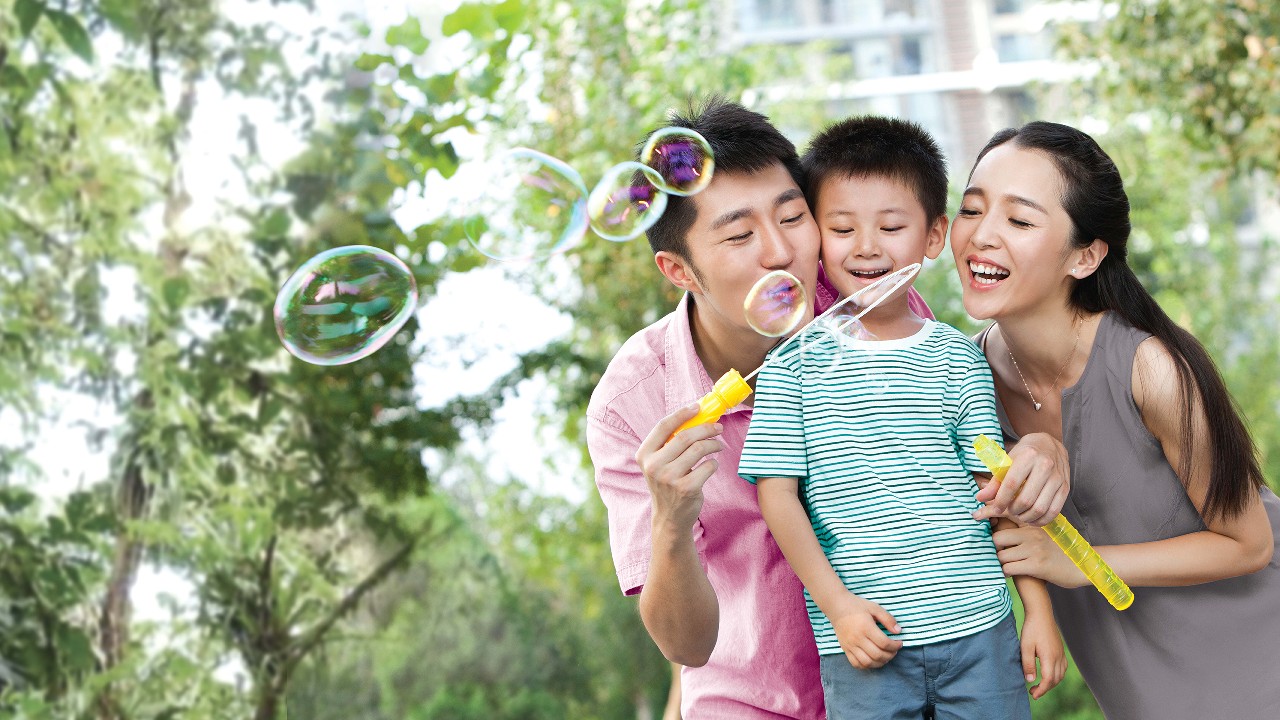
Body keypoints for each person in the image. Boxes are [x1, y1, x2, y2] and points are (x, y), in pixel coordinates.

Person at [585, 96, 944, 718]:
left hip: (899, 675)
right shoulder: (634, 404)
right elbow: (686, 645)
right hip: (748, 699)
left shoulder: (867, 307)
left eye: (793, 217)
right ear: (678, 270)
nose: (780, 252)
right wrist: (672, 522)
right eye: (739, 235)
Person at [950, 120, 1280, 719]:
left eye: (1019, 221)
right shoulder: (962, 382)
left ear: (1085, 255)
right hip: (1140, 684)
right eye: (971, 210)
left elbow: (1248, 544)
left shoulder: (1151, 368)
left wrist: (1080, 565)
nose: (982, 236)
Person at [739, 116, 1064, 720]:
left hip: (980, 631)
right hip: (864, 642)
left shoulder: (958, 359)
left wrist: (1037, 611)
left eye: (891, 227)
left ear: (934, 235)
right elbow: (778, 497)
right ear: (816, 233)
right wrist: (838, 608)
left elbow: (997, 493)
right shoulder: (790, 367)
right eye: (841, 228)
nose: (866, 247)